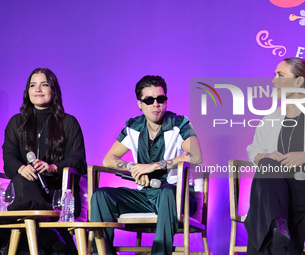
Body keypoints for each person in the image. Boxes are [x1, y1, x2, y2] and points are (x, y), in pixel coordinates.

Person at [90, 75, 202, 255]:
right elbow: (108, 159)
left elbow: (196, 155)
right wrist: (132, 168)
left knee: (167, 191)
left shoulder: (179, 123)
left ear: (166, 101)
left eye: (160, 99)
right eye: (149, 100)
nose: (156, 104)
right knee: (101, 195)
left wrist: (153, 166)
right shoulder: (133, 127)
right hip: (146, 197)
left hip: (178, 198)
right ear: (140, 104)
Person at [245, 57, 305, 255]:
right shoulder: (272, 117)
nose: (273, 81)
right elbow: (254, 150)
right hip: (275, 186)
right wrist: (267, 156)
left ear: (299, 81)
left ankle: (276, 224)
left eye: (280, 75)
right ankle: (277, 225)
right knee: (267, 165)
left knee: (258, 213)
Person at [1, 68, 87, 254]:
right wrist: (20, 168)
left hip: (57, 194)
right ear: (27, 91)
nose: (38, 89)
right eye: (33, 85)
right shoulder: (16, 123)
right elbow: (8, 157)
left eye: (44, 84)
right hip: (23, 190)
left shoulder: (68, 122)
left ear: (53, 90)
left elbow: (78, 161)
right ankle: (53, 237)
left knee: (18, 190)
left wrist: (53, 167)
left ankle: (12, 242)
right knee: (22, 179)